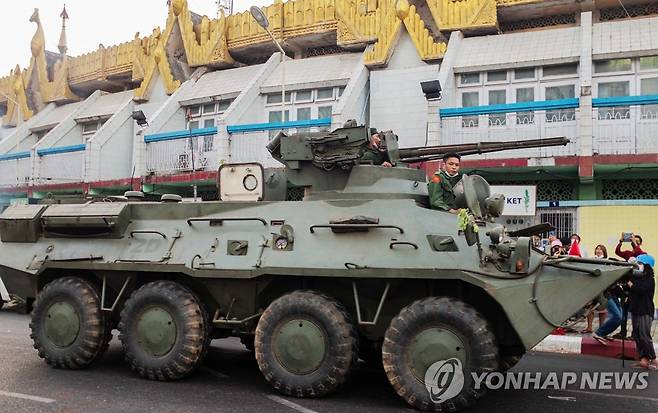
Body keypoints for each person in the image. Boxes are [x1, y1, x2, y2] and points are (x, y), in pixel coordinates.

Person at [627, 254, 657, 369]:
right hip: (635, 309)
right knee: (637, 335)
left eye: (640, 264)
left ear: (647, 266)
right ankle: (643, 358)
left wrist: (631, 285)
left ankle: (653, 358)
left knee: (644, 335)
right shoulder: (635, 277)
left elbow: (642, 289)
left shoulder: (649, 279)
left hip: (645, 310)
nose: (638, 266)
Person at [582, 244, 609, 334]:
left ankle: (602, 328)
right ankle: (589, 327)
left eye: (600, 249)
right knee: (590, 307)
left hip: (602, 287)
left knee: (602, 308)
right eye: (597, 249)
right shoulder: (592, 260)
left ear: (604, 251)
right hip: (592, 286)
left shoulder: (607, 261)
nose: (598, 250)